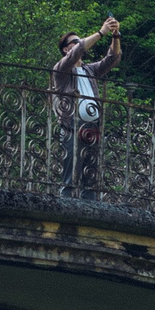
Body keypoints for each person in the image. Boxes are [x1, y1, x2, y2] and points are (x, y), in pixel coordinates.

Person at [52, 16, 121, 196]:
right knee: (70, 171)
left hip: (92, 126)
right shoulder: (61, 69)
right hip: (71, 125)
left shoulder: (89, 70)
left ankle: (88, 208)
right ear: (66, 49)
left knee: (90, 173)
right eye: (75, 42)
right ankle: (66, 206)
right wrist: (101, 32)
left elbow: (112, 58)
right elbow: (78, 50)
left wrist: (115, 35)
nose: (80, 43)